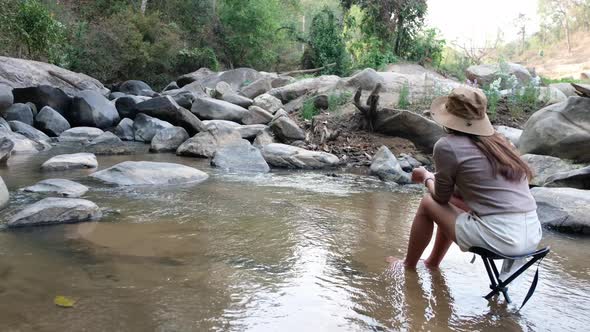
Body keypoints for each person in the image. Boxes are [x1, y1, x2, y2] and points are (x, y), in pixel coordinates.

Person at [388, 86, 542, 269]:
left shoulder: (447, 146)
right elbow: (456, 196)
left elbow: (440, 197)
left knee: (428, 203)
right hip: (532, 235)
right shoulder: (502, 143)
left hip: (500, 238)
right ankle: (432, 263)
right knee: (454, 200)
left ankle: (408, 265)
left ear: (449, 117)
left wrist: (426, 177)